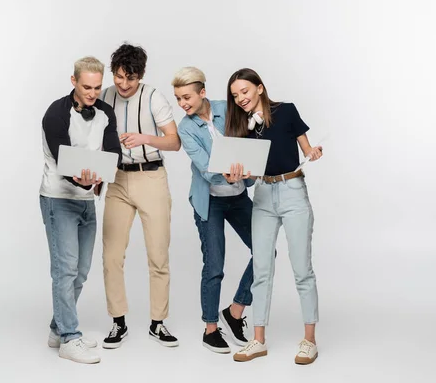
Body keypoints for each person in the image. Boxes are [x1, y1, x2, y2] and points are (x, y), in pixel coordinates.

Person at [226, 68, 322, 365]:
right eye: (235, 95)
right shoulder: (241, 125)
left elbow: (306, 148)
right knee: (262, 268)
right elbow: (247, 174)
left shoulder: (287, 111)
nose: (240, 98)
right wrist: (233, 178)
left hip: (292, 190)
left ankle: (309, 341)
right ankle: (258, 341)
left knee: (301, 269)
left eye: (244, 91)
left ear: (259, 88)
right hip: (264, 196)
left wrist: (314, 152)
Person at [39, 56, 121, 363]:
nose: (92, 93)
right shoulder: (55, 113)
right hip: (58, 199)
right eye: (86, 86)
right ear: (73, 81)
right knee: (65, 269)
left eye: (98, 87)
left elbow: (112, 151)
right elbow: (63, 161)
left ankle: (57, 328)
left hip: (87, 202)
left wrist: (98, 178)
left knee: (81, 271)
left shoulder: (105, 112)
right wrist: (85, 178)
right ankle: (69, 338)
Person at [100, 43, 181, 348]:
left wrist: (145, 138)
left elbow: (174, 142)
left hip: (151, 177)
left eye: (130, 79)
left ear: (141, 75)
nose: (123, 84)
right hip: (118, 179)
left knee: (158, 254)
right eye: (119, 77)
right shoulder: (106, 95)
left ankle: (158, 323)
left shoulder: (153, 97)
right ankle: (117, 321)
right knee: (111, 254)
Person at [173, 66, 256, 354]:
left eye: (186, 97)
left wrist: (249, 172)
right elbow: (206, 167)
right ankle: (210, 329)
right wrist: (226, 176)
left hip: (239, 196)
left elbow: (249, 140)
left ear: (203, 92)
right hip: (210, 201)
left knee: (264, 251)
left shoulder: (226, 108)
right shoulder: (185, 128)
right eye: (178, 99)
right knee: (214, 265)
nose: (183, 104)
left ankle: (234, 312)